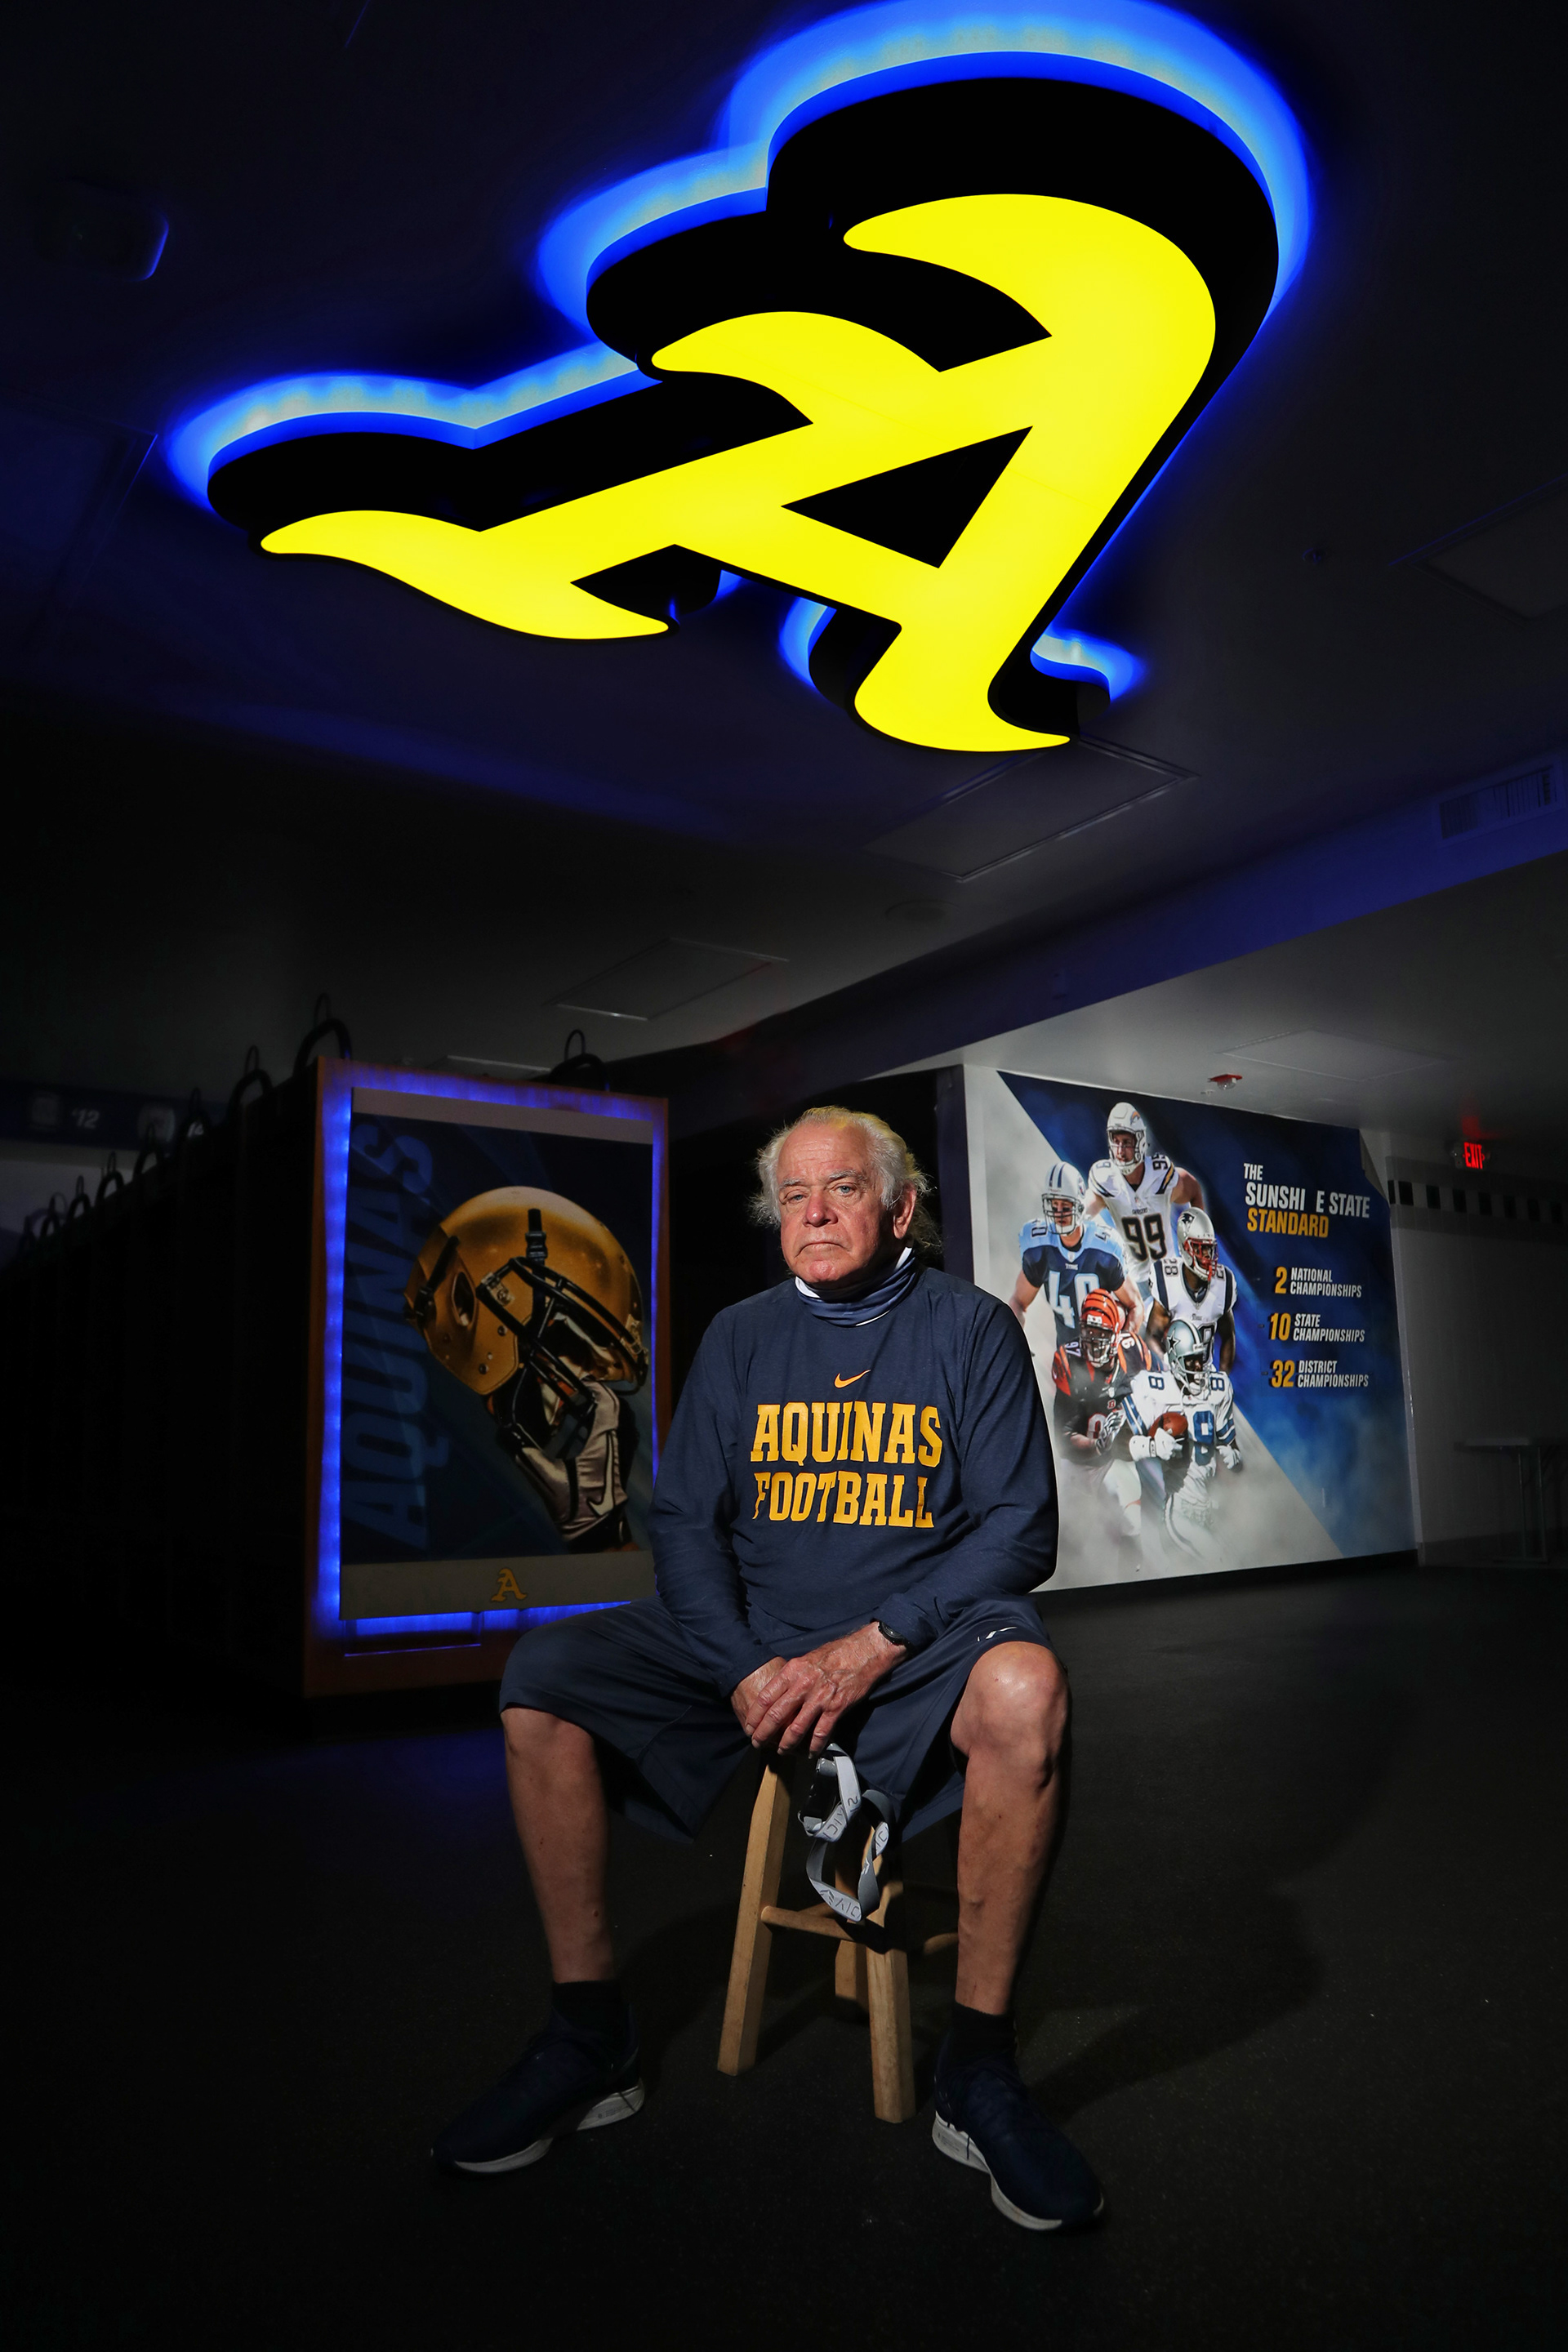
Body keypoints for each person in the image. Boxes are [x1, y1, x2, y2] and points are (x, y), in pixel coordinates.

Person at [433, 1106, 1102, 2234]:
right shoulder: (741, 1336)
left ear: (899, 1211)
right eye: (795, 1196)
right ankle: (591, 2038)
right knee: (542, 1678)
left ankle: (977, 2070)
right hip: (751, 1641)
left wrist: (870, 1644)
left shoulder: (973, 1329)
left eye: (843, 1189)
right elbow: (687, 1523)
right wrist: (746, 1669)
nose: (817, 1212)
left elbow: (1018, 1529)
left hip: (911, 1647)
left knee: (1029, 1689)